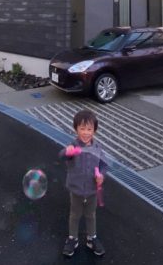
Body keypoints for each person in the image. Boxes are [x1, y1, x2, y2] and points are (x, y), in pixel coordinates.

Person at [60, 109, 108, 257]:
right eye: (82, 128)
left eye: (89, 129)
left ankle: (91, 238)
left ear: (94, 130)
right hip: (76, 190)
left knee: (91, 215)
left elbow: (103, 165)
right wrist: (67, 152)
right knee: (74, 215)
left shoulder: (97, 149)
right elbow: (63, 156)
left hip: (93, 190)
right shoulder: (73, 147)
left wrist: (101, 175)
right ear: (76, 129)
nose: (86, 133)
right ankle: (72, 239)